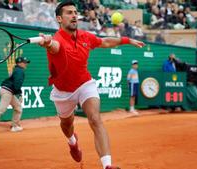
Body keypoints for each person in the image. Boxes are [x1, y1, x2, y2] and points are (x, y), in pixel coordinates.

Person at [38, 1, 144, 169]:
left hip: (85, 84)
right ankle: (72, 142)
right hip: (63, 91)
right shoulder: (57, 40)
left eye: (75, 12)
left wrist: (126, 40)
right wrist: (48, 43)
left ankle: (107, 165)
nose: (74, 15)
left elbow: (105, 42)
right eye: (69, 13)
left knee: (95, 119)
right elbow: (54, 47)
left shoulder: (85, 36)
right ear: (59, 18)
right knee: (66, 125)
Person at [0, 57, 30, 134]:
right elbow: (17, 84)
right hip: (7, 91)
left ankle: (15, 126)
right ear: (19, 63)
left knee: (18, 107)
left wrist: (18, 93)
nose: (26, 64)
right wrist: (19, 94)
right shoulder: (19, 71)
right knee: (1, 109)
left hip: (7, 91)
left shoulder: (17, 70)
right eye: (25, 62)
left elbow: (15, 84)